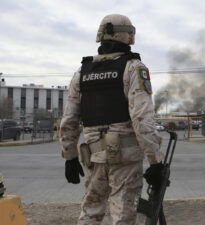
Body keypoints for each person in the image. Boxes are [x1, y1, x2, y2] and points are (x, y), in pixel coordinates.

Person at [59, 14, 164, 225]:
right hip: (125, 159)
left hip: (93, 157)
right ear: (124, 35)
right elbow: (142, 118)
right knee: (123, 215)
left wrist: (69, 156)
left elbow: (69, 119)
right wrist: (155, 161)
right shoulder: (134, 68)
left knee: (90, 211)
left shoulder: (81, 72)